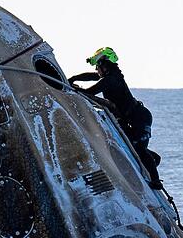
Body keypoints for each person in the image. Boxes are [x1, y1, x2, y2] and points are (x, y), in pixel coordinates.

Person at [68, 47, 163, 189]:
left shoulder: (112, 79)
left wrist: (73, 87)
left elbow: (91, 92)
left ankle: (156, 181)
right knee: (133, 146)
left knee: (139, 148)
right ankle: (154, 159)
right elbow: (93, 77)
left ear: (104, 65)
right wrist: (73, 78)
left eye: (97, 66)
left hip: (140, 117)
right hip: (130, 119)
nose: (96, 69)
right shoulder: (109, 76)